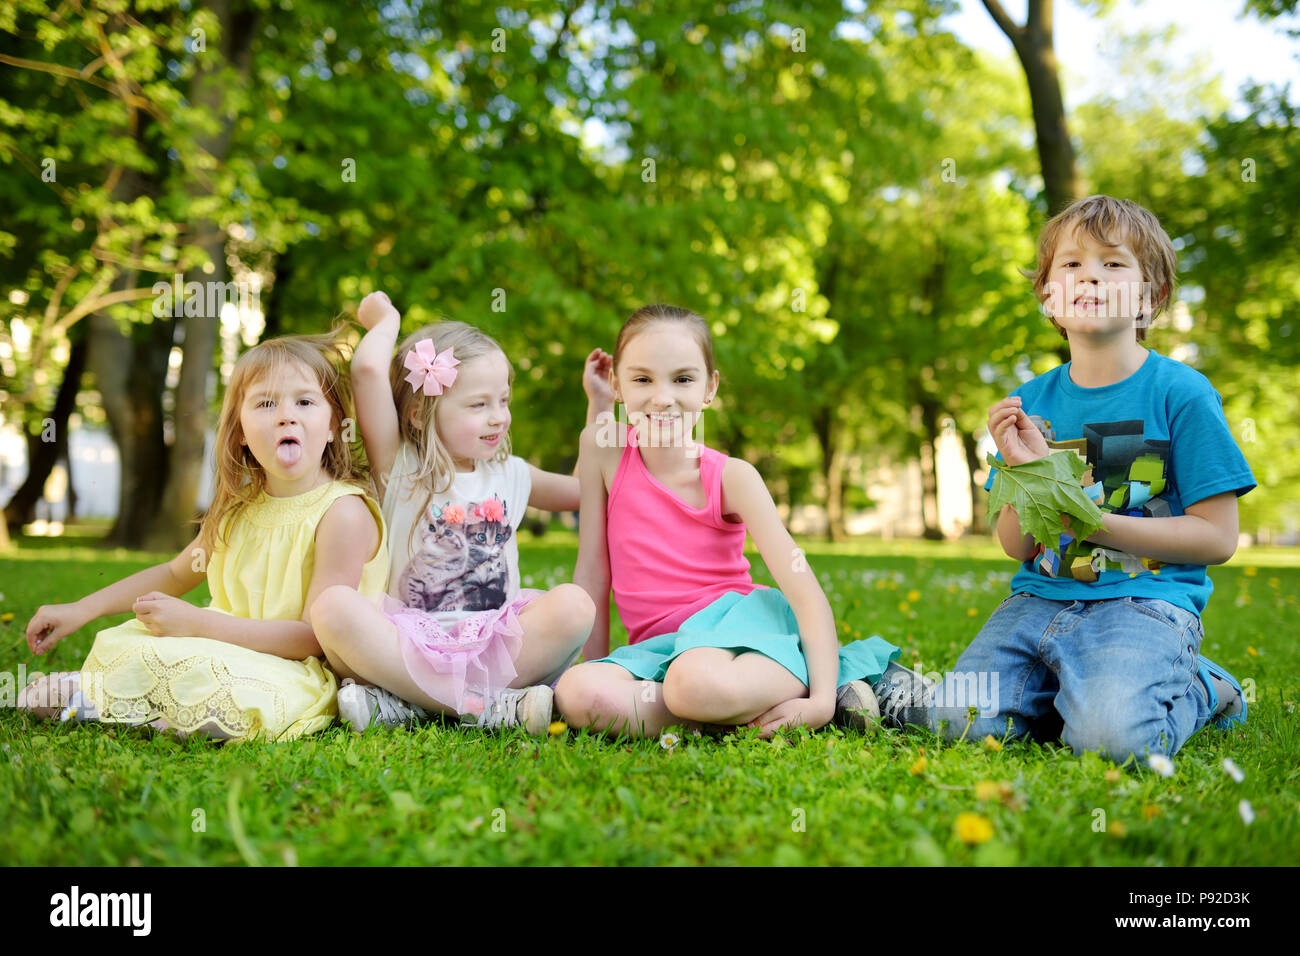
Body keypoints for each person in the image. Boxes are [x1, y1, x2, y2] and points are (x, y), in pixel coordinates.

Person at [922, 195, 1255, 763]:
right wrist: (1026, 470)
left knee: (1110, 744)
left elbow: (1217, 538)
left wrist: (1096, 524)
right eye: (1071, 265)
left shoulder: (1183, 394)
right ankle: (1075, 692)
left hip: (1145, 601)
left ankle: (1204, 687)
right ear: (1049, 296)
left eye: (1113, 263)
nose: (1090, 276)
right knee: (956, 722)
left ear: (1151, 297)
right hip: (1040, 599)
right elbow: (1016, 545)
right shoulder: (1030, 402)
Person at [555, 304, 912, 738]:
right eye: (642, 379)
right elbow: (593, 570)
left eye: (683, 379)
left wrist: (817, 702)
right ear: (617, 385)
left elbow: (803, 588)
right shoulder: (602, 448)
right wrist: (597, 665)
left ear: (710, 388)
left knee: (691, 683)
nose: (662, 397)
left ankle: (821, 689)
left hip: (737, 634)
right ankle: (730, 717)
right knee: (577, 692)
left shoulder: (731, 476)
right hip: (658, 650)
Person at [19, 334, 388, 741]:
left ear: (335, 426)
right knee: (105, 662)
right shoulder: (237, 511)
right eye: (266, 404)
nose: (286, 416)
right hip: (219, 647)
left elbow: (314, 639)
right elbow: (175, 576)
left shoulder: (342, 513)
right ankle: (127, 698)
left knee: (222, 708)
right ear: (242, 432)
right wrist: (80, 610)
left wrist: (197, 623)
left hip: (294, 667)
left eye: (304, 402)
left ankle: (136, 706)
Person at [312, 292, 609, 735]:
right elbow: (368, 369)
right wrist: (387, 318)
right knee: (332, 607)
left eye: (503, 401)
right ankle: (489, 707)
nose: (499, 417)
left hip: (494, 643)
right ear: (418, 414)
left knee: (574, 606)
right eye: (479, 405)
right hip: (411, 642)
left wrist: (599, 405)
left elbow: (588, 491)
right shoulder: (401, 469)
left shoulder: (512, 474)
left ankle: (404, 707)